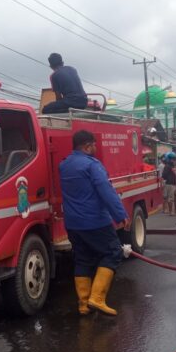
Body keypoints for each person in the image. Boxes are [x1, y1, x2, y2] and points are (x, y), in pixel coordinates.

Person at [59, 130, 129, 316]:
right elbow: (106, 192)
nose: (96, 148)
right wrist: (120, 215)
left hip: (73, 224)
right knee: (113, 252)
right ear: (87, 146)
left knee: (83, 258)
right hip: (95, 222)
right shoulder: (92, 165)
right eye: (95, 145)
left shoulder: (64, 165)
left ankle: (83, 305)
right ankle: (97, 298)